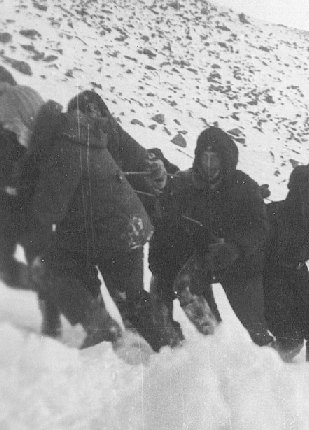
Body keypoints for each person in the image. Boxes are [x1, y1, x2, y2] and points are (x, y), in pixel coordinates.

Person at [28, 94, 180, 350]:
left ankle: (158, 347)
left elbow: (50, 211)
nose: (92, 116)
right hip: (112, 228)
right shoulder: (81, 139)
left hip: (114, 230)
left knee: (126, 298)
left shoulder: (73, 144)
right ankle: (154, 345)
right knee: (121, 293)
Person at [148, 126, 275, 347]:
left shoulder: (244, 186)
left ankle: (265, 354)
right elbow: (166, 223)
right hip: (202, 254)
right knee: (181, 287)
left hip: (240, 260)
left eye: (214, 158)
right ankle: (205, 344)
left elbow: (260, 228)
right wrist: (158, 261)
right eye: (204, 157)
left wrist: (235, 247)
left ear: (225, 160)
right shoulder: (185, 183)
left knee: (252, 322)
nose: (208, 165)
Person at [0, 83, 62, 336]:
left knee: (27, 265)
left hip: (22, 202)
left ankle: (56, 310)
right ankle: (52, 312)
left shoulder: (9, 106)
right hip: (25, 202)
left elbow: (11, 154)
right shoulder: (26, 97)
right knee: (35, 263)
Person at [264, 164, 309, 362]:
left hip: (299, 276)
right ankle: (263, 369)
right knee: (290, 341)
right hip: (272, 280)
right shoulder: (273, 214)